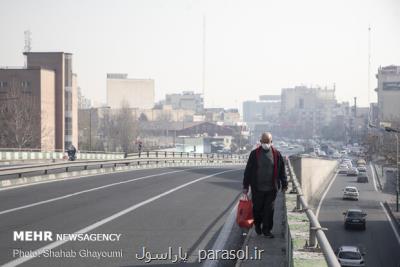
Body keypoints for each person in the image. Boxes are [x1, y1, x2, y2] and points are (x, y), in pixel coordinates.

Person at [242, 132, 288, 238]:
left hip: (271, 188)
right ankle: (257, 225)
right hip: (257, 188)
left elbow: (282, 171)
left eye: (268, 142)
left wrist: (284, 184)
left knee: (269, 210)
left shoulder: (277, 154)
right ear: (260, 142)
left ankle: (267, 230)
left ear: (271, 142)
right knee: (257, 209)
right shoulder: (254, 154)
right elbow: (248, 170)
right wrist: (245, 186)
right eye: (264, 142)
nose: (266, 144)